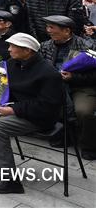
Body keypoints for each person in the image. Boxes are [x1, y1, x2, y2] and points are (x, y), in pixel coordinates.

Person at [0, 33, 63, 194]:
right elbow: (5, 86)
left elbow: (47, 107)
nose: (8, 49)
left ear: (27, 50)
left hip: (39, 117)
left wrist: (14, 109)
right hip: (15, 107)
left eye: (13, 46)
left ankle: (8, 180)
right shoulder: (13, 63)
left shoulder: (48, 73)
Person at [38, 15, 96, 159]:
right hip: (54, 85)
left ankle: (88, 146)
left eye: (52, 27)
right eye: (47, 27)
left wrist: (73, 77)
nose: (48, 31)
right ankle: (64, 135)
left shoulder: (87, 46)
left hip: (81, 87)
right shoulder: (45, 45)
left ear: (67, 31)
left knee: (84, 111)